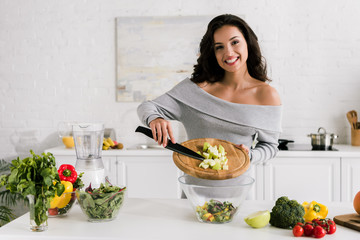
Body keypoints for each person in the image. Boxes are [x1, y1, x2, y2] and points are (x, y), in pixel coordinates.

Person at [137, 14, 282, 164]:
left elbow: (270, 146)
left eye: (235, 42)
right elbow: (147, 106)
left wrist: (249, 155)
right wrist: (155, 118)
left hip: (242, 184)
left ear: (248, 43)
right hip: (192, 185)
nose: (229, 53)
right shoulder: (195, 90)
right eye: (219, 47)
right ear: (213, 52)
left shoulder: (266, 95)